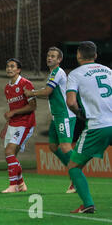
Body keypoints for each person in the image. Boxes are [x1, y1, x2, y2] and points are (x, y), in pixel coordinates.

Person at [66, 41, 112, 214]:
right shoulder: (109, 71)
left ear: (78, 55)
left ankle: (88, 204)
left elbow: (70, 101)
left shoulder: (75, 74)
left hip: (97, 126)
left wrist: (79, 113)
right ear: (95, 55)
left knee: (73, 167)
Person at [24, 47, 76, 193]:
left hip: (64, 115)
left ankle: (77, 175)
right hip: (56, 116)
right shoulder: (52, 73)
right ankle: (73, 171)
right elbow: (48, 89)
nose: (49, 58)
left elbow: (47, 91)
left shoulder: (58, 72)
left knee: (65, 146)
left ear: (59, 60)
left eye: (53, 56)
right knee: (53, 147)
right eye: (48, 56)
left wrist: (31, 93)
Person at [0, 58, 36, 193]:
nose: (9, 69)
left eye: (12, 66)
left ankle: (13, 186)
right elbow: (12, 108)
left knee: (9, 152)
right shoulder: (7, 88)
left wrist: (13, 112)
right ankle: (21, 184)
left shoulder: (26, 84)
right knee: (10, 156)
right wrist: (8, 123)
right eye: (7, 66)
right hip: (13, 124)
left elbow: (33, 106)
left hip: (25, 124)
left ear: (18, 70)